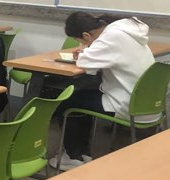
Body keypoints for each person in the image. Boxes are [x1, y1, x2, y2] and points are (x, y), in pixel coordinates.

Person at [55, 13, 155, 170]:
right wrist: (88, 52)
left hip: (129, 105)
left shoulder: (111, 37)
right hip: (149, 104)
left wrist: (84, 53)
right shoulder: (127, 32)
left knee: (67, 101)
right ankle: (83, 152)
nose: (81, 44)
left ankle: (72, 156)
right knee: (83, 97)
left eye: (80, 41)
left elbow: (86, 64)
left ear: (86, 36)